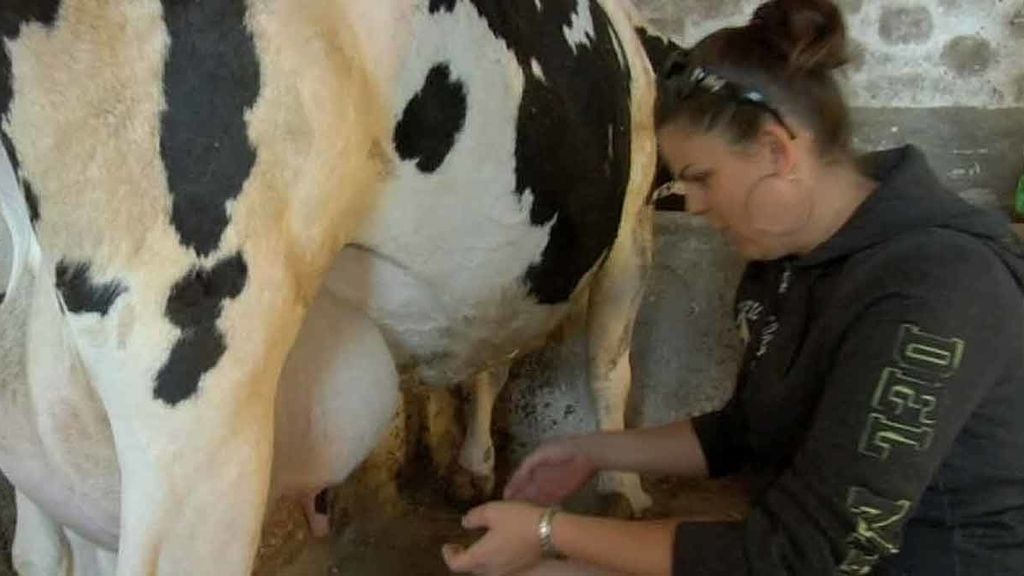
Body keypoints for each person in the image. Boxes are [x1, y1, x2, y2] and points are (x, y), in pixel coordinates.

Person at [440, 0, 1024, 574]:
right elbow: (745, 431)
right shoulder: (786, 261)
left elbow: (804, 554)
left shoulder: (938, 288)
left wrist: (548, 532)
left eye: (701, 178)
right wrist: (592, 451)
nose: (690, 204)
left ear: (777, 150)